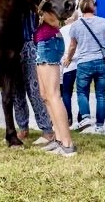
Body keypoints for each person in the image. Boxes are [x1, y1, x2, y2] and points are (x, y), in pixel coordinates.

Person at [65, 0, 105, 134]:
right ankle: (99, 126)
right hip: (101, 62)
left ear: (81, 7)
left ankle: (86, 118)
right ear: (93, 7)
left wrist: (68, 59)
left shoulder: (76, 25)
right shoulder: (104, 22)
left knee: (82, 92)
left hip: (84, 63)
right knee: (101, 95)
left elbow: (72, 46)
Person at [36, 11, 76, 157]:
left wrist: (38, 14)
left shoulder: (44, 3)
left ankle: (67, 144)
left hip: (48, 43)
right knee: (45, 95)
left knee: (53, 95)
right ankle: (58, 139)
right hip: (42, 43)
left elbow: (55, 22)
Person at [13, 10, 55, 145]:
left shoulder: (29, 4)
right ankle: (22, 128)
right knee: (16, 90)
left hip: (28, 44)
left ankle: (47, 130)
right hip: (12, 47)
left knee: (34, 90)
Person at [60, 10, 79, 126]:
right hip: (81, 63)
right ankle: (82, 117)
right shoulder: (80, 28)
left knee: (66, 93)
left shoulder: (61, 31)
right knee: (82, 92)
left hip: (68, 64)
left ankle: (68, 117)